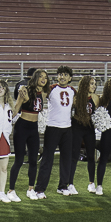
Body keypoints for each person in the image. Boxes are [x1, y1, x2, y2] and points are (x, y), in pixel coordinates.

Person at [35, 66, 76, 198]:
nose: (62, 77)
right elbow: (38, 97)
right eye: (60, 74)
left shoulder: (72, 90)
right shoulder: (51, 88)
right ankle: (40, 189)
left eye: (65, 75)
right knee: (47, 158)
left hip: (67, 128)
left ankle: (63, 186)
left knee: (66, 159)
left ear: (70, 78)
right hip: (52, 127)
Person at [9, 69, 48, 200]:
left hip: (34, 129)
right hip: (22, 127)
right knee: (19, 160)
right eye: (41, 76)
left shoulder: (43, 93)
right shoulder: (25, 90)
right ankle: (11, 190)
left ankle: (31, 189)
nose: (44, 79)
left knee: (33, 160)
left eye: (46, 77)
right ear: (35, 77)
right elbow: (16, 109)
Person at [70, 75, 100, 193]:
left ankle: (91, 183)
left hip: (89, 128)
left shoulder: (95, 98)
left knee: (91, 156)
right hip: (77, 127)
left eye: (95, 84)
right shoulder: (76, 98)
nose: (94, 86)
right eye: (91, 83)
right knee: (74, 156)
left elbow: (97, 113)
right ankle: (70, 183)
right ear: (84, 85)